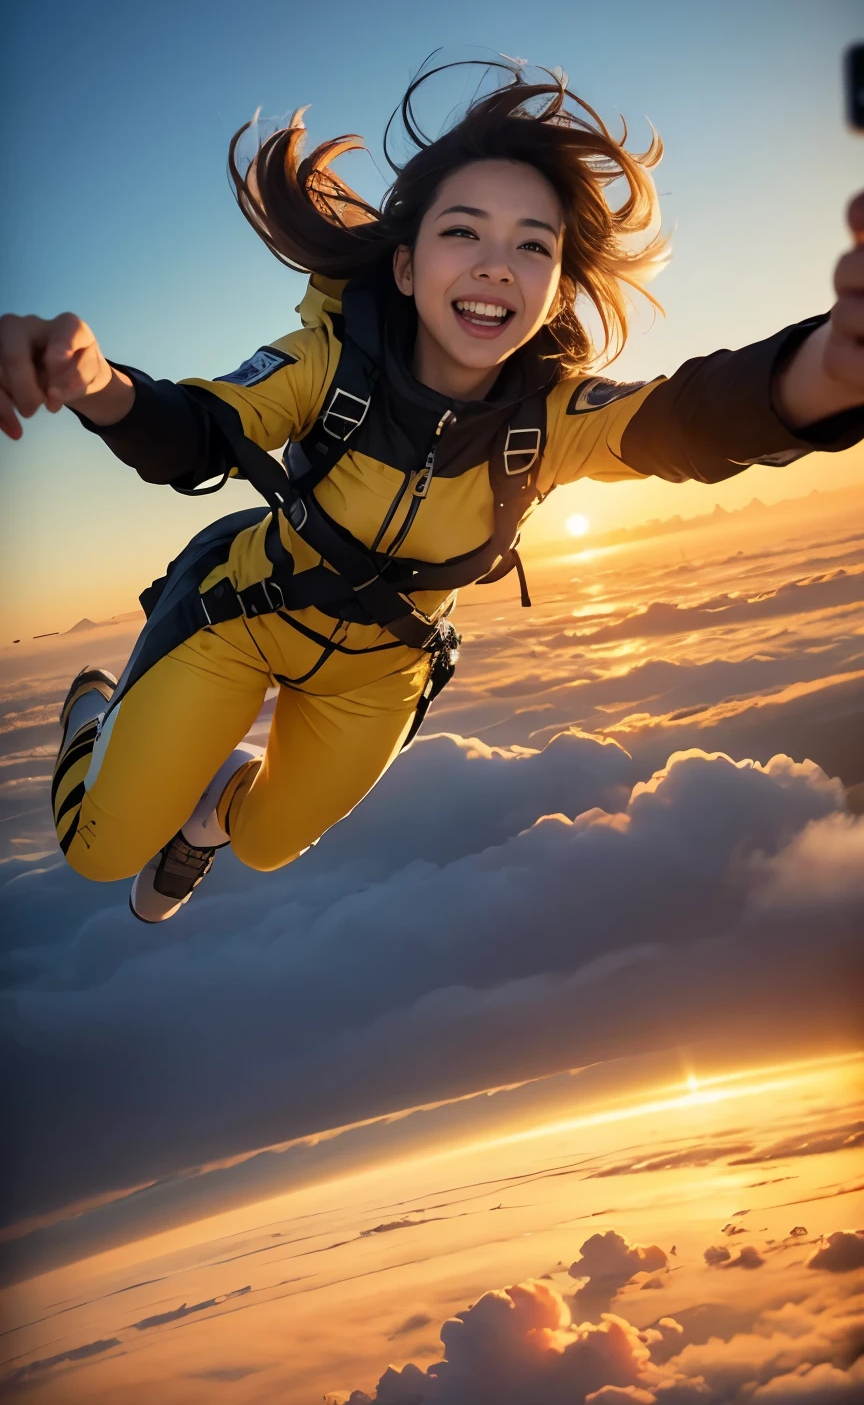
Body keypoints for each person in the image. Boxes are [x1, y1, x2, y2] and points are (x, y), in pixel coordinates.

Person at [2, 63, 863, 924]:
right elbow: (200, 429)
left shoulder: (549, 421)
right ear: (407, 271)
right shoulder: (327, 366)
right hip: (242, 614)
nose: (497, 266)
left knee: (262, 844)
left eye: (533, 244)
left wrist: (829, 368)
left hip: (380, 671)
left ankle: (208, 815)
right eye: (465, 233)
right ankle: (92, 713)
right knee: (99, 853)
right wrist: (100, 385)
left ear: (556, 288)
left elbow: (687, 418)